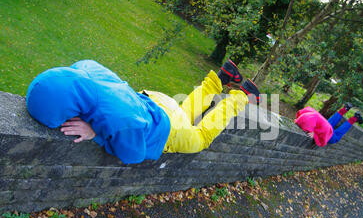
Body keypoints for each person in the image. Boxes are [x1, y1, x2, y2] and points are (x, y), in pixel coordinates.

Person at [26, 59, 260, 164]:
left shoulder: (119, 120)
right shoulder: (88, 68)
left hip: (161, 127)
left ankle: (241, 96)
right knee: (181, 113)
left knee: (201, 137)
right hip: (157, 102)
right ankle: (221, 78)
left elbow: (133, 155)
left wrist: (96, 135)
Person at [294, 102, 363, 146]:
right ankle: (346, 109)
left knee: (334, 133)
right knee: (329, 125)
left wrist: (315, 135)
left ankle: (354, 118)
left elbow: (322, 141)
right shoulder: (313, 115)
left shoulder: (310, 120)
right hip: (325, 128)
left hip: (326, 131)